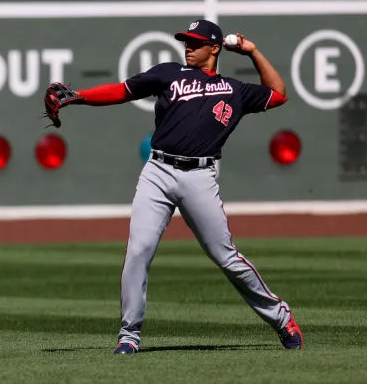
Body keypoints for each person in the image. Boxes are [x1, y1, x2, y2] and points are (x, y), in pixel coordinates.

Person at [42, 19, 303, 354]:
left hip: (199, 177)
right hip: (158, 171)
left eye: (195, 42)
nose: (188, 47)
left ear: (215, 48)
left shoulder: (235, 90)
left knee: (226, 257)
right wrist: (78, 96)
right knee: (138, 250)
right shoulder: (170, 73)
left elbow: (279, 93)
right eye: (186, 41)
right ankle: (129, 335)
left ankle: (282, 320)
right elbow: (122, 91)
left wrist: (252, 51)